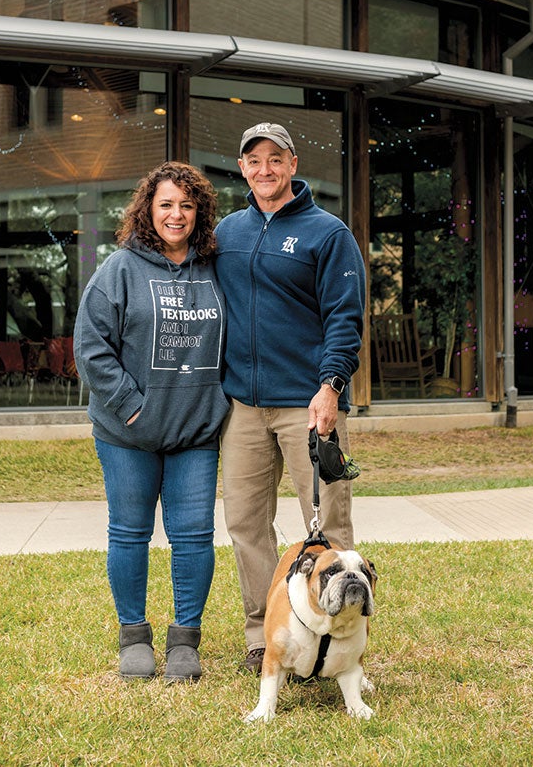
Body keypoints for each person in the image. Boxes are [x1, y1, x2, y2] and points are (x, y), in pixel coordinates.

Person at [215, 122, 366, 673]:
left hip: (310, 406)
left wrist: (330, 387)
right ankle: (264, 635)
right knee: (247, 526)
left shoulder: (328, 233)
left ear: (293, 164)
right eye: (253, 160)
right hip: (243, 408)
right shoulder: (227, 232)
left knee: (327, 526)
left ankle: (339, 638)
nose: (264, 169)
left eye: (274, 159)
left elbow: (345, 318)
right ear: (242, 169)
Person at [74, 162, 229, 683]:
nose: (176, 215)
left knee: (193, 537)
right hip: (127, 435)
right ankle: (133, 636)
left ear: (199, 212)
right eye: (166, 204)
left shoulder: (215, 268)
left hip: (196, 433)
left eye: (187, 205)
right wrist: (129, 403)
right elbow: (90, 346)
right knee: (130, 533)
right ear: (148, 209)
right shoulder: (119, 269)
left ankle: (185, 640)